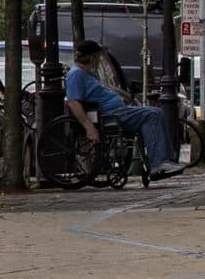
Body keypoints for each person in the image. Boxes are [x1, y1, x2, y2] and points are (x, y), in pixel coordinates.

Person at [65, 39, 182, 177]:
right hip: (111, 114)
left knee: (157, 113)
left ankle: (164, 160)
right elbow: (73, 102)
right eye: (98, 57)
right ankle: (158, 163)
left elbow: (105, 87)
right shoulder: (76, 74)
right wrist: (89, 127)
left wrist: (126, 95)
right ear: (92, 57)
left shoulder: (88, 73)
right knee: (152, 114)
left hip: (118, 109)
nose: (99, 60)